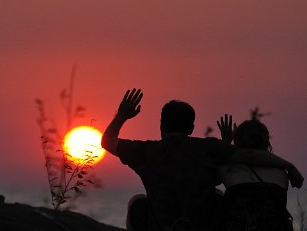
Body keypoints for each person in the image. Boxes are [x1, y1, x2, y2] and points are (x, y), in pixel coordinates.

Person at [102, 89, 303, 231]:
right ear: (190, 128)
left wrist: (122, 116)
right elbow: (246, 155)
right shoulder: (207, 148)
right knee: (217, 196)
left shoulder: (146, 152)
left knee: (137, 203)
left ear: (161, 125)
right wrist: (288, 165)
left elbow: (107, 142)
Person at [217, 115, 294, 231]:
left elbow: (225, 157)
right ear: (266, 142)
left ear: (237, 141)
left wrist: (226, 141)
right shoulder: (282, 173)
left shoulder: (228, 170)